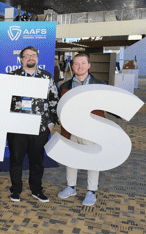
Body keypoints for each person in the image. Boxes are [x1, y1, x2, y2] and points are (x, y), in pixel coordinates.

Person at [7, 46, 59, 203]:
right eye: (27, 56)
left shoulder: (46, 77)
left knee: (37, 162)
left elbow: (53, 101)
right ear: (21, 59)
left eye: (33, 55)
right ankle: (15, 190)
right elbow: (3, 100)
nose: (30, 58)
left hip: (40, 128)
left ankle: (36, 190)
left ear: (37, 57)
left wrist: (50, 123)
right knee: (16, 161)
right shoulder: (12, 77)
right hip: (17, 127)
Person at [56, 53, 106, 206]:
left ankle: (91, 191)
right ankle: (71, 187)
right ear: (72, 66)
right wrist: (58, 117)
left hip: (92, 130)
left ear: (89, 65)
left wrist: (121, 114)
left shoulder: (100, 84)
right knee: (71, 159)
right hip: (71, 130)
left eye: (83, 63)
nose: (80, 66)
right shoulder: (64, 86)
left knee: (93, 160)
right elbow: (59, 106)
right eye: (76, 64)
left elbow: (108, 103)